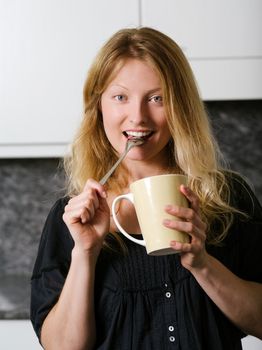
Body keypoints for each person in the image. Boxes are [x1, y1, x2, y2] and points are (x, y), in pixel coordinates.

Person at [30, 27, 262, 350]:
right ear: (99, 106)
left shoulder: (227, 198)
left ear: (179, 106)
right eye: (120, 97)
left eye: (157, 98)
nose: (137, 116)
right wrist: (85, 253)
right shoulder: (71, 219)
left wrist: (202, 264)